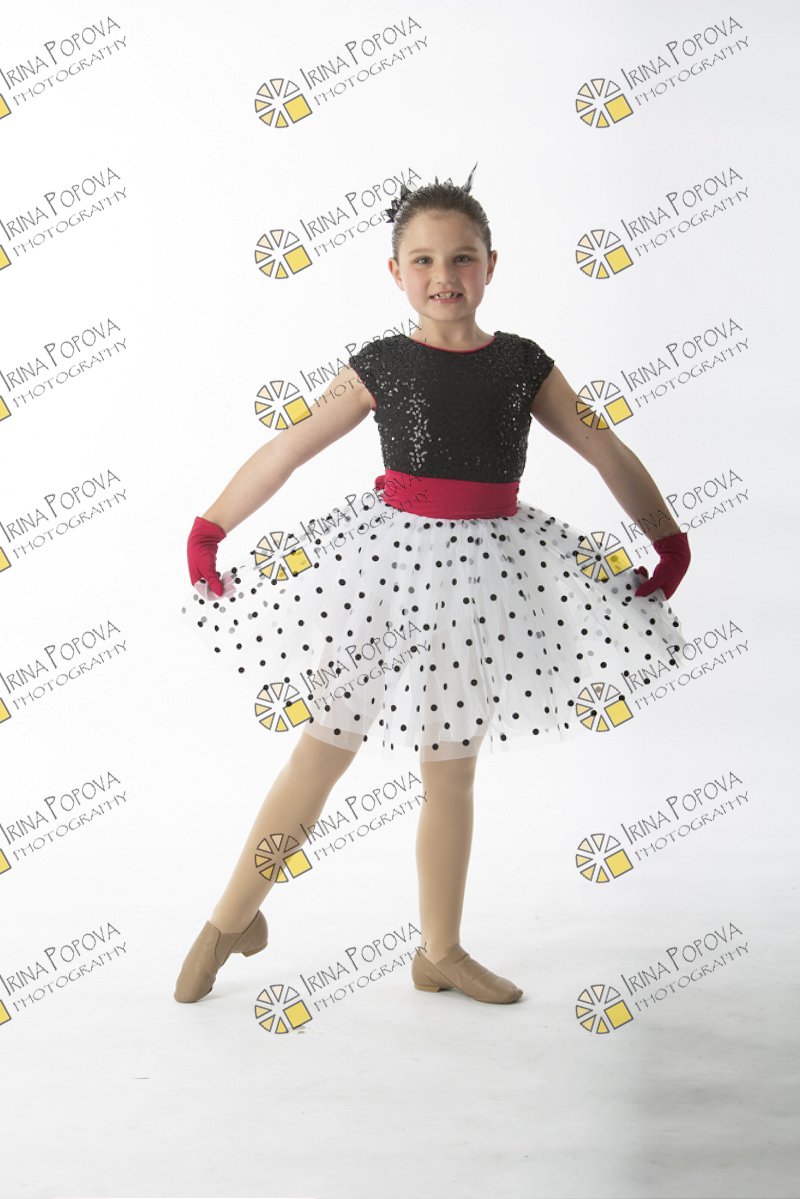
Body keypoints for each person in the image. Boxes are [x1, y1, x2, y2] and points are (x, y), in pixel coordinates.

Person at [174, 164, 691, 1007]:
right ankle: (229, 920)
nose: (443, 276)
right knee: (321, 750)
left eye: (461, 258)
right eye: (422, 260)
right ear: (395, 272)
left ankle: (439, 949)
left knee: (450, 770)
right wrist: (212, 525)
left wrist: (665, 533)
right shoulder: (381, 363)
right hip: (386, 572)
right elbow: (286, 449)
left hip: (486, 578)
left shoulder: (523, 364)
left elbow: (602, 446)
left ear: (491, 265)